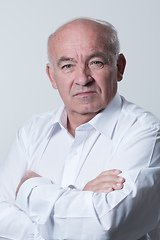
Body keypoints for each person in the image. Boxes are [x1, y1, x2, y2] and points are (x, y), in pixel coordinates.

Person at [0, 17, 160, 240]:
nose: (83, 79)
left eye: (96, 63)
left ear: (119, 67)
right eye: (67, 66)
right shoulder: (31, 132)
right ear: (52, 76)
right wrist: (82, 199)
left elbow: (106, 227)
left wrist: (31, 190)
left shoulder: (147, 133)